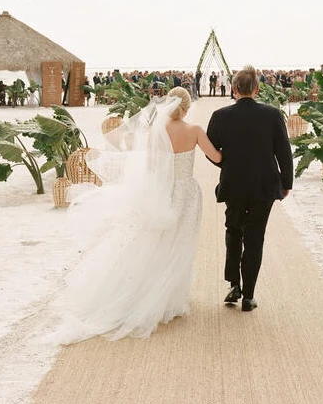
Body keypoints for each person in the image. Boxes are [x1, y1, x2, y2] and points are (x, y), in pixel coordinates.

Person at [52, 87, 222, 344]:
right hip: (187, 193)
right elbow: (217, 156)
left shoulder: (157, 132)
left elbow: (151, 166)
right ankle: (170, 298)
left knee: (156, 242)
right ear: (186, 108)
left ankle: (155, 295)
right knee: (180, 243)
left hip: (161, 191)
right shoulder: (195, 131)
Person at [206, 65, 293, 312]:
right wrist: (286, 183)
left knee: (233, 232)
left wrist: (226, 162)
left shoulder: (220, 116)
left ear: (234, 89)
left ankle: (235, 284)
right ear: (257, 88)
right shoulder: (273, 115)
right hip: (264, 186)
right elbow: (283, 152)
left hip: (233, 184)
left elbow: (212, 152)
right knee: (255, 238)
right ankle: (249, 296)